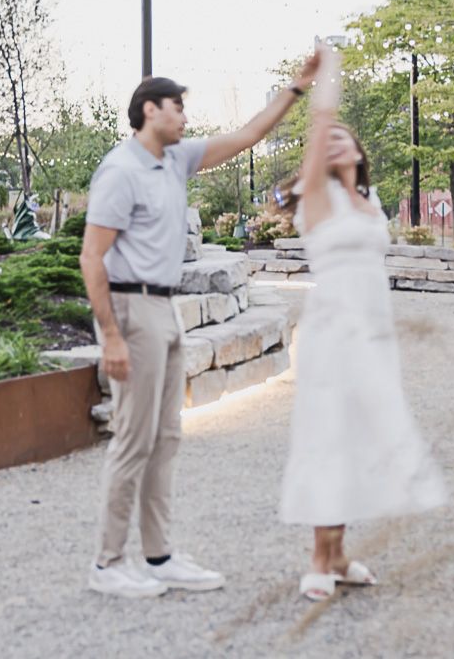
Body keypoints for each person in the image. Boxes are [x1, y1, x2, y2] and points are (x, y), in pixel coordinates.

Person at [80, 55, 321, 599]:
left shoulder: (175, 159)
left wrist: (295, 89)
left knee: (165, 437)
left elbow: (249, 133)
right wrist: (111, 337)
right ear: (150, 110)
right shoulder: (121, 170)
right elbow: (92, 257)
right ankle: (108, 563)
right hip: (130, 309)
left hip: (164, 307)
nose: (187, 117)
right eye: (178, 107)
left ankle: (159, 555)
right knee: (133, 439)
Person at [279, 43, 446, 601]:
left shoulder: (369, 200)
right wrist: (327, 77)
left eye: (341, 136)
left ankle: (341, 551)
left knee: (362, 435)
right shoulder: (319, 198)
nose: (332, 139)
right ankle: (318, 557)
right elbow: (320, 121)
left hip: (374, 332)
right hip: (332, 331)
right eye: (325, 141)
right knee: (329, 432)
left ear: (357, 149)